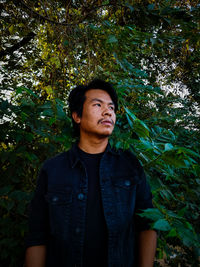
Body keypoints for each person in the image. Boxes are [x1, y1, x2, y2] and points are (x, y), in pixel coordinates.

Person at [25, 79, 157, 267]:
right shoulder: (53, 170)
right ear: (77, 116)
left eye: (111, 107)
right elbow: (37, 236)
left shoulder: (129, 166)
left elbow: (148, 224)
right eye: (98, 105)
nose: (108, 112)